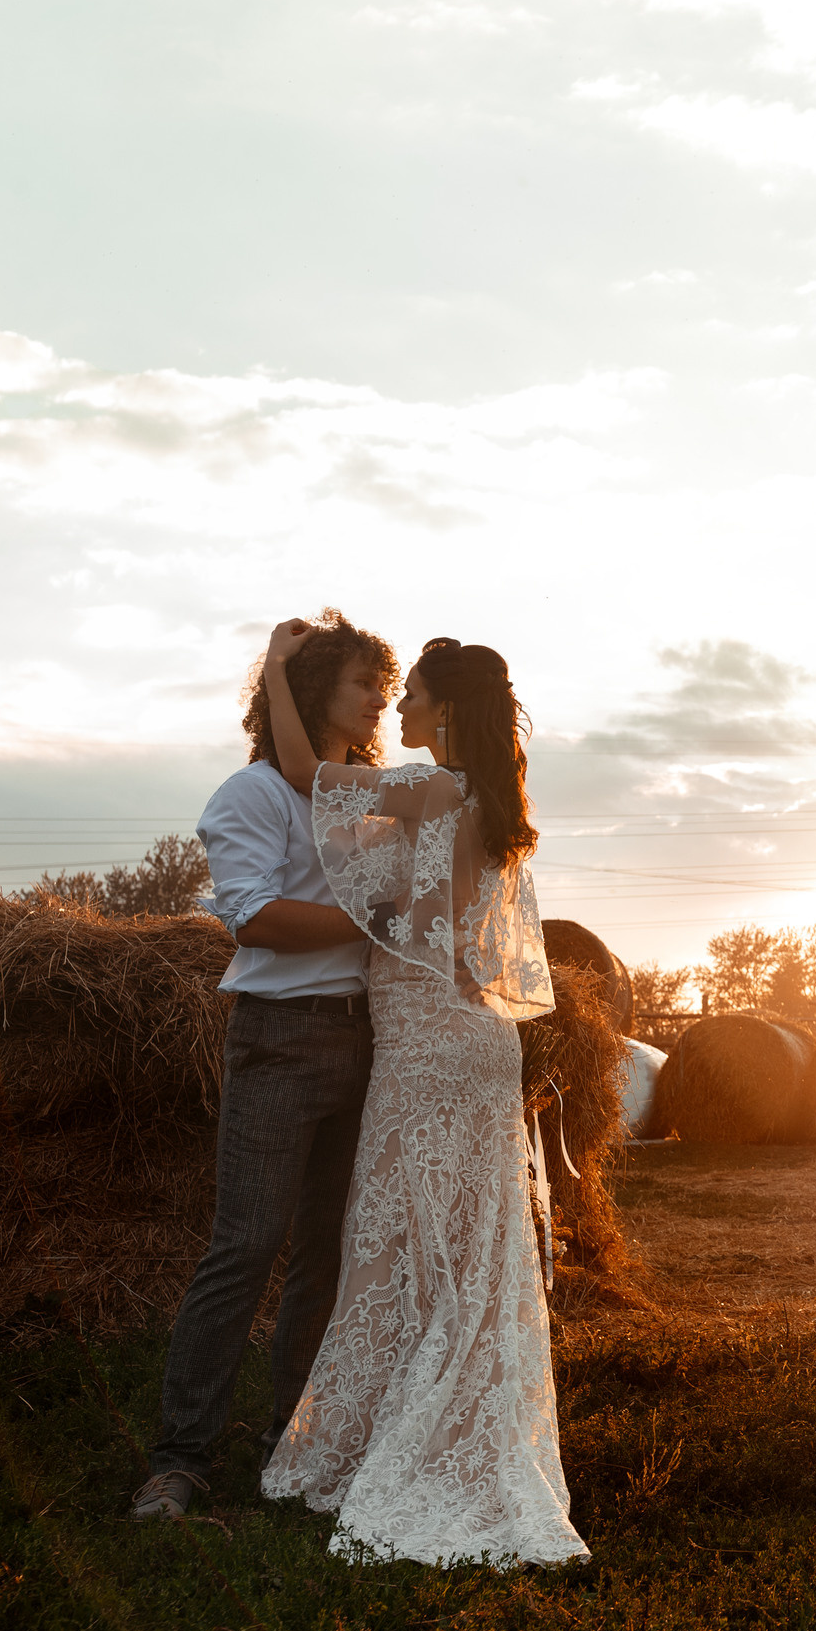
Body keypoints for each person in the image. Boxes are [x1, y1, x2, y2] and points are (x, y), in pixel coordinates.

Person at [256, 623, 587, 1567]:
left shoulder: (436, 787)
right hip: (471, 1041)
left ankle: (400, 1442)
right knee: (457, 1247)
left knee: (399, 1237)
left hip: (429, 1042)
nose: (396, 709)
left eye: (411, 696)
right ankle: (416, 1422)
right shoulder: (482, 796)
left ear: (444, 706)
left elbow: (303, 771)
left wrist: (280, 670)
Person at [134, 611, 396, 1523]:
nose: (378, 697)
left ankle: (298, 1443)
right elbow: (254, 917)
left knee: (328, 1252)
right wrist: (377, 926)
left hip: (370, 1039)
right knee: (245, 1246)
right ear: (315, 682)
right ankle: (178, 1461)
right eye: (362, 679)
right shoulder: (251, 796)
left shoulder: (361, 792)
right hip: (280, 1036)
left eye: (383, 684)